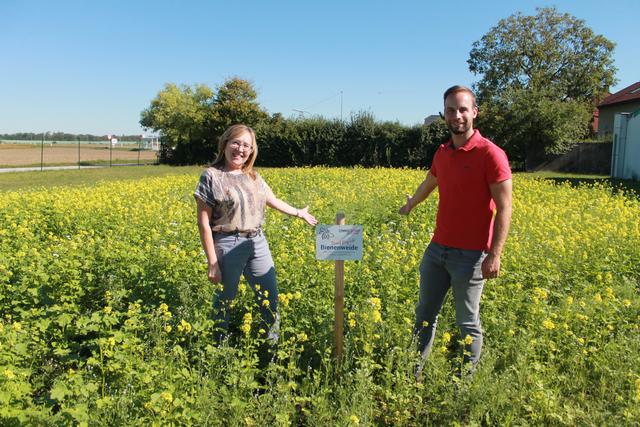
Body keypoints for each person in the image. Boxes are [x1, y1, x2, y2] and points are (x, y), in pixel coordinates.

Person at [399, 85, 512, 379]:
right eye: (451, 110)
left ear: (474, 112)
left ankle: (461, 384)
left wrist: (494, 254)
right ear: (444, 115)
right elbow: (430, 181)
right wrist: (411, 203)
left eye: (463, 109)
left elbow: (505, 208)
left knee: (467, 323)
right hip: (437, 250)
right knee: (424, 315)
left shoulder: (491, 154)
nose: (457, 115)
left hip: (472, 256)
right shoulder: (442, 152)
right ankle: (413, 374)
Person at [194, 124, 317, 353]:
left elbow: (272, 199)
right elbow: (203, 223)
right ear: (225, 143)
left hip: (257, 242)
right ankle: (217, 352)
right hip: (228, 243)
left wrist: (298, 212)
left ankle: (271, 351)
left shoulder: (253, 176)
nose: (240, 149)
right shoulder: (211, 176)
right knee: (225, 301)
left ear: (252, 151)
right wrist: (212, 263)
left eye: (246, 146)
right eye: (236, 143)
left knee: (270, 300)